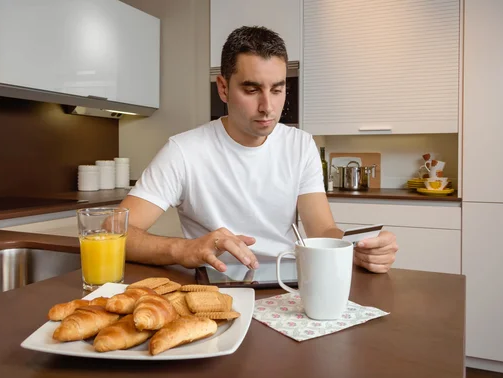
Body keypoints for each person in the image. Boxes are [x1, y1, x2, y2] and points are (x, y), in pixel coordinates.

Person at [119, 26, 398, 274]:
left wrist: (354, 248)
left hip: (289, 282)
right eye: (252, 90)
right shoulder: (183, 151)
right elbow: (115, 233)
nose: (268, 107)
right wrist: (186, 250)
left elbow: (322, 230)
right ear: (224, 88)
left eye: (277, 90)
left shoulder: (300, 146)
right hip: (217, 286)